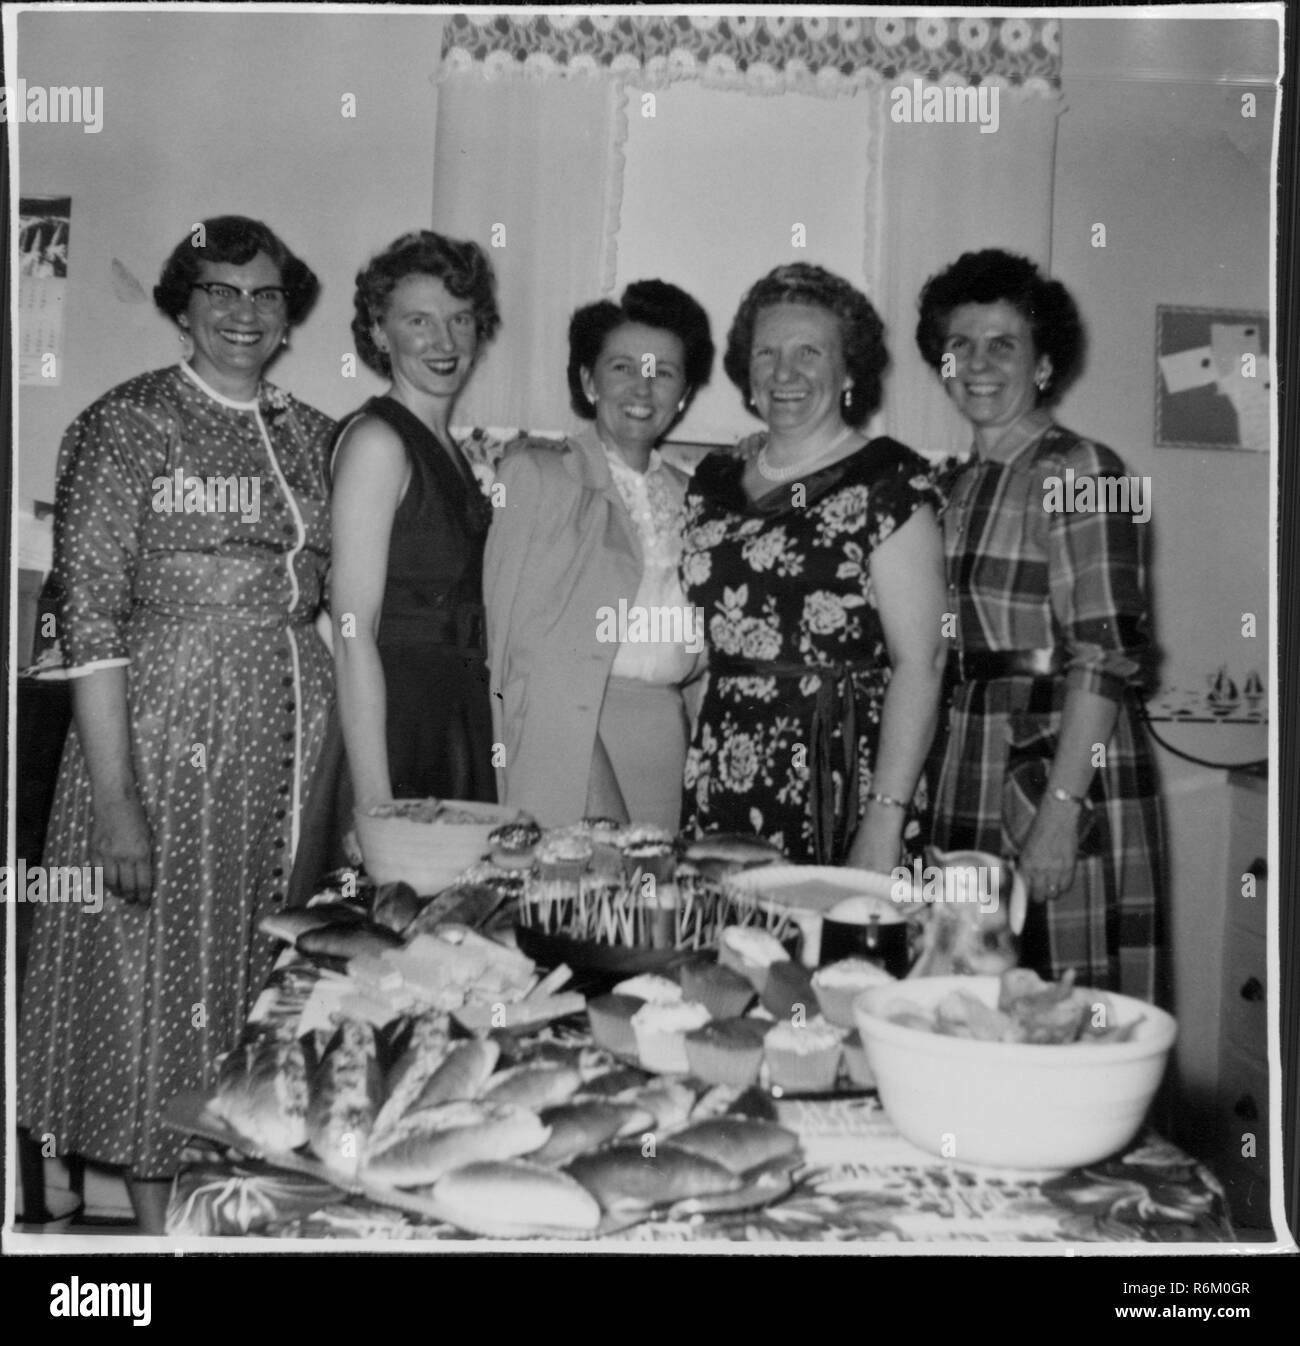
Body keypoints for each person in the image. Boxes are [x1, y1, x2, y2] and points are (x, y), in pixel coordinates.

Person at [18, 216, 334, 1233]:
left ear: (290, 312)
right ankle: (160, 1233)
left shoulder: (312, 432)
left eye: (267, 293)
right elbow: (91, 617)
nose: (245, 311)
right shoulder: (127, 424)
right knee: (155, 968)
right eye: (220, 291)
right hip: (159, 732)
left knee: (266, 966)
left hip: (286, 734)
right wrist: (117, 804)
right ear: (182, 304)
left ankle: (241, 1204)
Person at [915, 248, 1164, 999]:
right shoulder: (952, 485)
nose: (978, 363)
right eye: (960, 345)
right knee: (968, 993)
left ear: (1045, 365)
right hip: (969, 755)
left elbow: (1106, 653)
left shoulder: (1087, 470)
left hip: (1058, 758)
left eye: (1004, 345)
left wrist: (1061, 809)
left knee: (1064, 1003)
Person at [680, 263, 948, 870]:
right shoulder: (714, 481)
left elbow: (923, 661)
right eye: (767, 353)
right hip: (726, 760)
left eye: (810, 352)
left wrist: (884, 815)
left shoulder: (889, 480)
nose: (785, 373)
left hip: (842, 763)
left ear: (848, 368)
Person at [293, 232, 501, 895]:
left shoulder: (452, 448)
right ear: (380, 334)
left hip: (453, 717)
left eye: (459, 319)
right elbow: (351, 631)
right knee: (371, 944)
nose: (444, 340)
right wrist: (377, 804)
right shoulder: (379, 441)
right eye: (419, 320)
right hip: (392, 723)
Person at [484, 280, 714, 829]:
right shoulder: (537, 477)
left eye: (664, 372)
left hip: (665, 741)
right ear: (588, 380)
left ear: (684, 393)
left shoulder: (697, 497)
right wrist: (598, 796)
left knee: (652, 910)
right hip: (568, 749)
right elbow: (521, 659)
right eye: (622, 367)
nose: (643, 387)